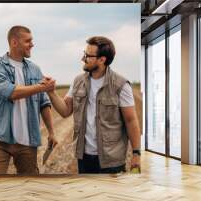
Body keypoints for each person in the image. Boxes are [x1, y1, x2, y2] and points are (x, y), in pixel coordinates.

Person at [46, 36, 141, 174]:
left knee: (109, 195)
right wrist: (52, 93)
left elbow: (131, 121)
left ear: (102, 60)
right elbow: (65, 111)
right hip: (84, 157)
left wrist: (136, 154)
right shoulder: (78, 81)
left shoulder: (121, 85)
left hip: (111, 159)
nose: (83, 59)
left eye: (88, 56)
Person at [0, 25, 58, 175]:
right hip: (0, 139)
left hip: (27, 141)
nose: (32, 44)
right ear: (14, 42)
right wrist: (41, 86)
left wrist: (51, 132)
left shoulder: (34, 69)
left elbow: (43, 103)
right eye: (28, 41)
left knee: (29, 187)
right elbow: (10, 92)